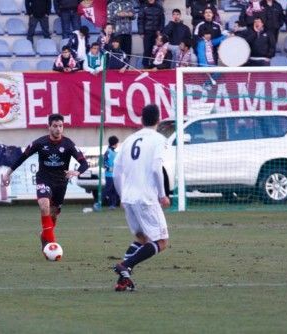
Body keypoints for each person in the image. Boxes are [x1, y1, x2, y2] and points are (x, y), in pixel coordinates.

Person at [2, 114, 88, 253]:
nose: (58, 129)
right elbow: (22, 157)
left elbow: (84, 163)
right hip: (44, 178)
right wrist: (7, 173)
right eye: (55, 126)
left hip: (61, 182)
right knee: (44, 206)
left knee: (53, 214)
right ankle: (52, 244)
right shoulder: (40, 143)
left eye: (60, 126)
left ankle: (44, 237)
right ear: (49, 127)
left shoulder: (68, 144)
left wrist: (78, 172)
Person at [111, 104, 170, 292]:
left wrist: (121, 196)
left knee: (143, 239)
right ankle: (125, 266)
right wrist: (162, 195)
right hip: (146, 198)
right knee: (161, 241)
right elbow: (155, 168)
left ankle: (123, 279)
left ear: (141, 120)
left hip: (128, 197)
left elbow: (116, 172)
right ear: (158, 120)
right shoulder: (159, 139)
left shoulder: (129, 140)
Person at [138, 0, 165, 68]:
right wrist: (141, 32)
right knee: (147, 50)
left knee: (156, 50)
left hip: (157, 33)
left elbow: (162, 20)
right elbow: (140, 20)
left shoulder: (159, 7)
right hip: (147, 32)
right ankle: (145, 66)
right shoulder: (143, 7)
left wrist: (160, 30)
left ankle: (155, 66)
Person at [104, 135, 119, 209]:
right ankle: (98, 202)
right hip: (109, 175)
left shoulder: (115, 153)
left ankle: (112, 205)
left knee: (114, 190)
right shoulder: (108, 152)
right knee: (107, 189)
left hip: (114, 175)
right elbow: (104, 163)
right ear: (115, 143)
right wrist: (108, 168)